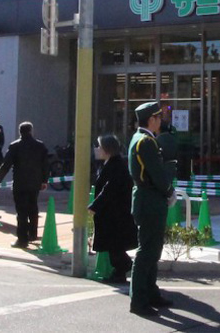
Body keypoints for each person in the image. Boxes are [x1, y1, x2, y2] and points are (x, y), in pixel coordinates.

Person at [127, 101, 174, 317]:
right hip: (150, 199)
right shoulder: (146, 142)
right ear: (152, 120)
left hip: (146, 198)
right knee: (147, 251)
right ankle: (139, 300)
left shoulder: (139, 138)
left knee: (153, 249)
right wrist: (169, 191)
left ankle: (151, 293)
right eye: (159, 117)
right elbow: (156, 172)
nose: (161, 121)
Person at [89, 134, 137, 284]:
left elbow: (109, 189)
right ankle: (120, 271)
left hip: (115, 213)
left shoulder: (116, 166)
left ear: (106, 150)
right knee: (114, 245)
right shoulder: (113, 164)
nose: (97, 149)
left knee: (114, 244)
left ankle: (123, 268)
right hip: (114, 212)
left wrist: (95, 206)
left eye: (99, 146)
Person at [0, 121, 49, 248]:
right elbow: (45, 164)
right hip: (35, 182)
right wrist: (44, 180)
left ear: (20, 132)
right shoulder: (40, 146)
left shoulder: (15, 146)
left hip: (20, 183)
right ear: (31, 131)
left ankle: (22, 239)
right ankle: (33, 234)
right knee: (33, 208)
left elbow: (6, 165)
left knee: (21, 212)